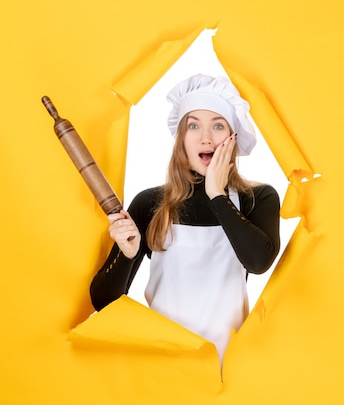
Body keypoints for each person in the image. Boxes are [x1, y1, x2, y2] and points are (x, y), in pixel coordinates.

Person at [90, 74, 281, 362]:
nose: (206, 137)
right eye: (194, 126)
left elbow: (258, 263)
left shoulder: (258, 198)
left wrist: (217, 194)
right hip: (163, 363)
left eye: (218, 126)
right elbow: (104, 303)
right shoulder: (150, 203)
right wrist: (127, 255)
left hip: (227, 369)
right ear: (181, 139)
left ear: (233, 139)